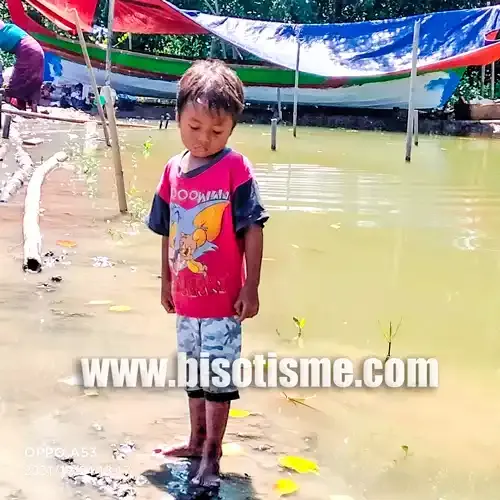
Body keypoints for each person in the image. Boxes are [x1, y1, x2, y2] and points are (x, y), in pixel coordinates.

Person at [147, 59, 268, 487]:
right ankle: (195, 440)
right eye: (194, 127)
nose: (203, 139)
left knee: (217, 380)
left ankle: (212, 456)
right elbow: (166, 230)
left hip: (222, 303)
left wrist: (250, 286)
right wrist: (166, 280)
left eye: (216, 132)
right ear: (178, 115)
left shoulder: (236, 169)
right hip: (187, 299)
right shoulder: (172, 170)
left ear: (232, 129)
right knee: (193, 373)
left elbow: (252, 228)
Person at [0, 20, 44, 112]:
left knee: (19, 80)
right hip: (36, 50)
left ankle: (19, 109)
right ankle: (32, 109)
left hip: (28, 50)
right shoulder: (9, 29)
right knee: (32, 79)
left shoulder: (5, 32)